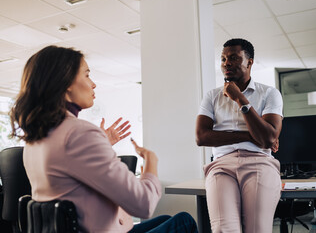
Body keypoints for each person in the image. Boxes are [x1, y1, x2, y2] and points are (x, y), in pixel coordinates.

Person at [10, 45, 198, 233]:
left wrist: (101, 144)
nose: (93, 84)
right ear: (66, 82)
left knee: (165, 219)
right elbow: (144, 204)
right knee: (184, 221)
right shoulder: (79, 133)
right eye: (86, 75)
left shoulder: (34, 141)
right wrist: (151, 162)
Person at [196, 38, 283, 233]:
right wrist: (250, 136)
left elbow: (268, 139)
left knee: (256, 229)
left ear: (249, 62)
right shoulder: (212, 96)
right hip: (221, 166)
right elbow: (202, 137)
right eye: (223, 59)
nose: (227, 63)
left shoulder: (270, 93)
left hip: (259, 162)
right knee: (224, 229)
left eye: (234, 58)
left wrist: (240, 99)